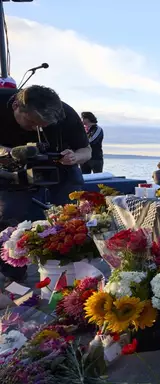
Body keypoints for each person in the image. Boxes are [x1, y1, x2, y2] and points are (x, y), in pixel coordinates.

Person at [0, 85, 91, 280]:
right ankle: (14, 271)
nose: (37, 129)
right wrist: (9, 152)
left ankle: (75, 265)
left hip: (60, 168)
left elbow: (87, 150)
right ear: (16, 105)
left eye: (44, 125)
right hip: (12, 169)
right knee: (10, 216)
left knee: (74, 215)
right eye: (32, 122)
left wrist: (75, 157)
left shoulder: (66, 114)